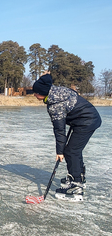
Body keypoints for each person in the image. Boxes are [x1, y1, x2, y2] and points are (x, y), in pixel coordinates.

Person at [33, 72, 102, 200]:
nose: (34, 95)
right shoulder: (60, 91)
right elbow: (74, 95)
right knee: (74, 149)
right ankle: (78, 176)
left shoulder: (55, 106)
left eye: (36, 92)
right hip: (87, 118)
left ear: (43, 93)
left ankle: (76, 186)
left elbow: (59, 130)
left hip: (86, 122)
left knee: (71, 151)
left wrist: (60, 151)